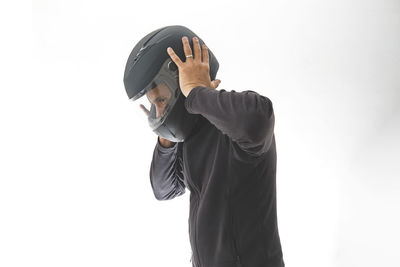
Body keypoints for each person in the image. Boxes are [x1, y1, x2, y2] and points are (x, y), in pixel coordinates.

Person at [123, 25, 285, 267]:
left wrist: (197, 93)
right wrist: (165, 137)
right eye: (153, 105)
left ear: (181, 82)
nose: (157, 111)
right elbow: (164, 189)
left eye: (160, 100)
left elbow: (258, 121)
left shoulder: (237, 124)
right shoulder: (190, 139)